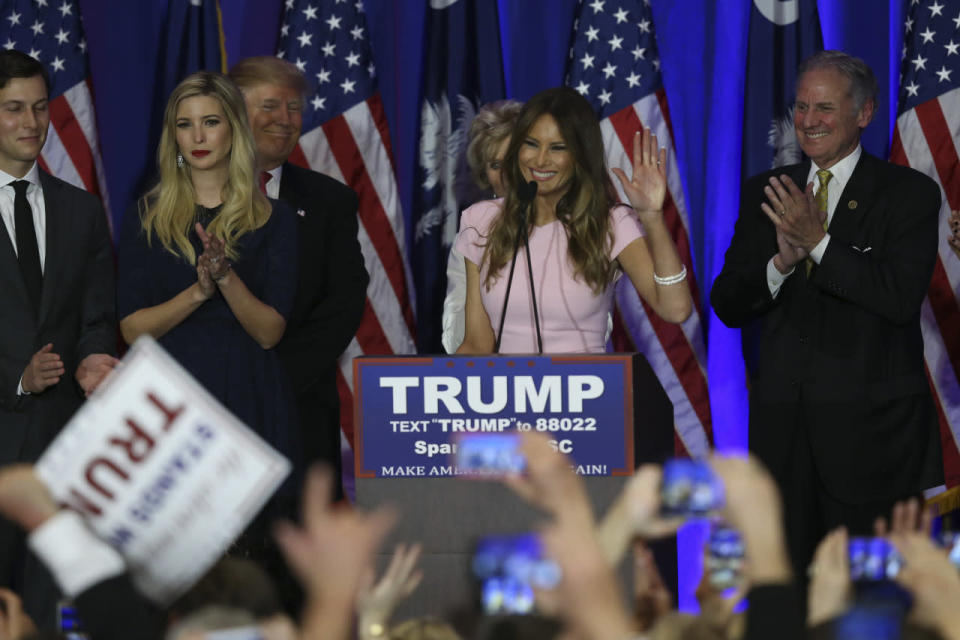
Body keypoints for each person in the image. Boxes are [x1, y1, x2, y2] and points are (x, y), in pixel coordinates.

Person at [710, 50, 943, 580]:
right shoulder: (766, 192)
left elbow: (897, 296)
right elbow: (727, 303)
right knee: (784, 606)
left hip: (873, 449)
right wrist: (780, 263)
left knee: (870, 611)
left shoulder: (907, 195)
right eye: (800, 107)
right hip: (782, 446)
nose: (808, 120)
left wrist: (818, 244)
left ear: (863, 114)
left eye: (824, 108)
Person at [116, 71, 300, 573]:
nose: (197, 137)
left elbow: (269, 331)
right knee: (171, 563)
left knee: (247, 567)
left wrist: (224, 276)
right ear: (172, 136)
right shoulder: (146, 217)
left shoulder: (276, 220)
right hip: (171, 406)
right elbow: (132, 331)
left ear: (233, 131)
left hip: (249, 401)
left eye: (211, 122)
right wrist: (198, 290)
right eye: (185, 125)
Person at [0, 49, 117, 626]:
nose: (31, 123)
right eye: (13, 109)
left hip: (65, 448)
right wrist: (15, 378)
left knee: (56, 612)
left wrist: (96, 355)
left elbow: (97, 316)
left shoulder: (83, 212)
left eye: (40, 108)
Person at [455, 87, 692, 355]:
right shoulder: (482, 220)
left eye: (557, 148)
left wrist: (652, 217)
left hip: (585, 392)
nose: (541, 160)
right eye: (531, 144)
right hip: (510, 394)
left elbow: (676, 309)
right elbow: (477, 344)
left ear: (580, 156)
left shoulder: (611, 222)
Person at [228, 57, 368, 502]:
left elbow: (343, 305)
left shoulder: (331, 201)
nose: (286, 120)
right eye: (271, 105)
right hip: (212, 409)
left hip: (300, 410)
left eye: (294, 109)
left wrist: (277, 382)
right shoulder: (182, 198)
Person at [441, 100, 523, 354]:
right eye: (495, 165)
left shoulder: (577, 224)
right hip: (491, 379)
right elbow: (457, 339)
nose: (506, 175)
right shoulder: (475, 231)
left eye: (513, 160)